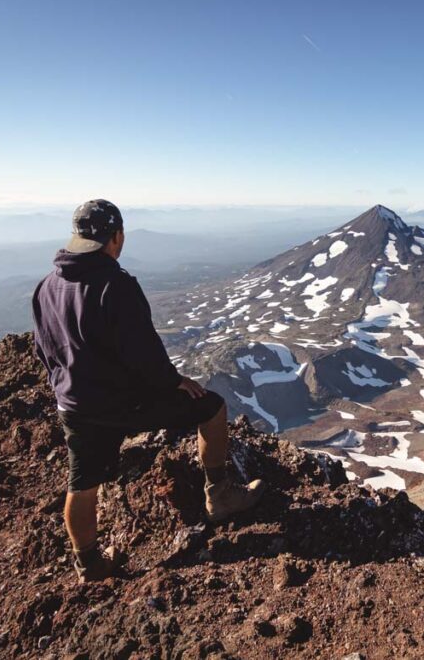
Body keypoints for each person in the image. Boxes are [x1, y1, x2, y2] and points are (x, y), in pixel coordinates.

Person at [31, 199, 264, 582]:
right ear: (116, 237)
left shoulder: (46, 286)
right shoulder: (115, 285)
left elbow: (44, 349)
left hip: (73, 404)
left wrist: (64, 390)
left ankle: (88, 563)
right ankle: (219, 494)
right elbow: (143, 354)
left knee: (82, 481)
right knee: (212, 407)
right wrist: (176, 383)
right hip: (125, 403)